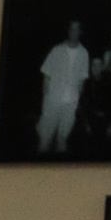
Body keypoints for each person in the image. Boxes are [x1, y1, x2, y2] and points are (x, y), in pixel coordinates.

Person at [35, 18, 92, 155]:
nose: (74, 31)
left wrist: (78, 103)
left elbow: (82, 82)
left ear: (81, 32)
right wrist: (46, 102)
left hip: (70, 105)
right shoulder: (57, 50)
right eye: (72, 28)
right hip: (52, 102)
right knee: (44, 141)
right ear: (68, 31)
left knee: (62, 141)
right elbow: (46, 75)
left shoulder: (84, 54)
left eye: (77, 29)